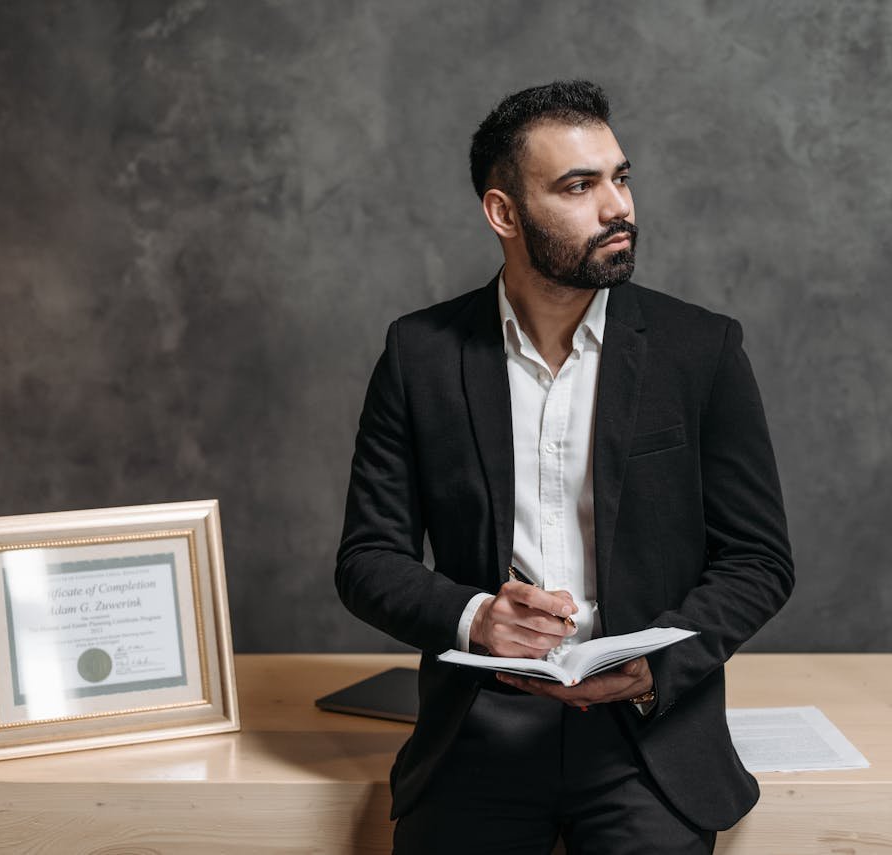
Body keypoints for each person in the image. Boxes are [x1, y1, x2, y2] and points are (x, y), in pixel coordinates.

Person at [336, 80, 794, 854]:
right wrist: (478, 616)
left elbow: (759, 560)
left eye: (621, 177)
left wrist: (658, 664)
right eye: (579, 186)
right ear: (504, 213)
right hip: (476, 730)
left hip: (646, 739)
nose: (619, 207)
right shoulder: (420, 354)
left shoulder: (701, 349)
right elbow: (367, 559)